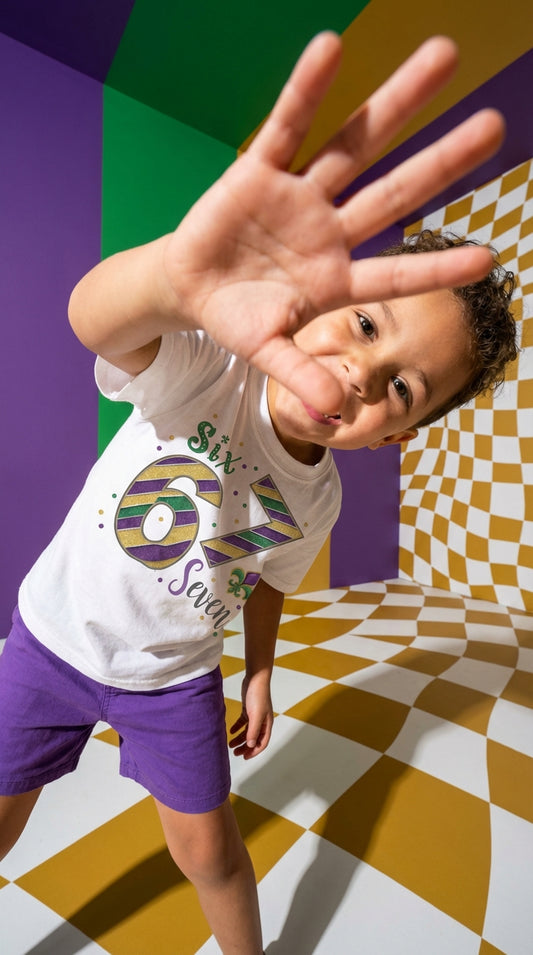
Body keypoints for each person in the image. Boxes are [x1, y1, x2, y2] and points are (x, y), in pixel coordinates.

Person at [0, 32, 517, 955]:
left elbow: (269, 578)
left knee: (211, 853)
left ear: (393, 436)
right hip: (51, 638)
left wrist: (262, 670)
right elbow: (94, 316)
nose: (360, 372)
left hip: (174, 678)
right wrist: (171, 279)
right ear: (320, 302)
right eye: (363, 324)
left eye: (399, 387)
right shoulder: (205, 367)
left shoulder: (317, 498)